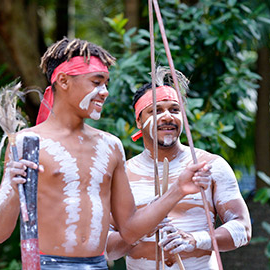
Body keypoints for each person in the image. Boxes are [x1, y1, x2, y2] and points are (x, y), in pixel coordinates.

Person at [0, 38, 212, 270]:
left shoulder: (110, 146)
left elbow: (130, 229)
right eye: (96, 82)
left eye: (106, 83)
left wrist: (178, 190)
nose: (104, 92)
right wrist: (15, 190)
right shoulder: (28, 143)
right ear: (63, 81)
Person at [105, 80, 252, 270]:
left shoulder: (210, 166)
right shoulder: (121, 175)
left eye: (175, 110)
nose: (167, 116)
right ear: (139, 121)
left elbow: (243, 229)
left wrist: (196, 240)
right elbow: (107, 249)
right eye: (155, 110)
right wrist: (140, 228)